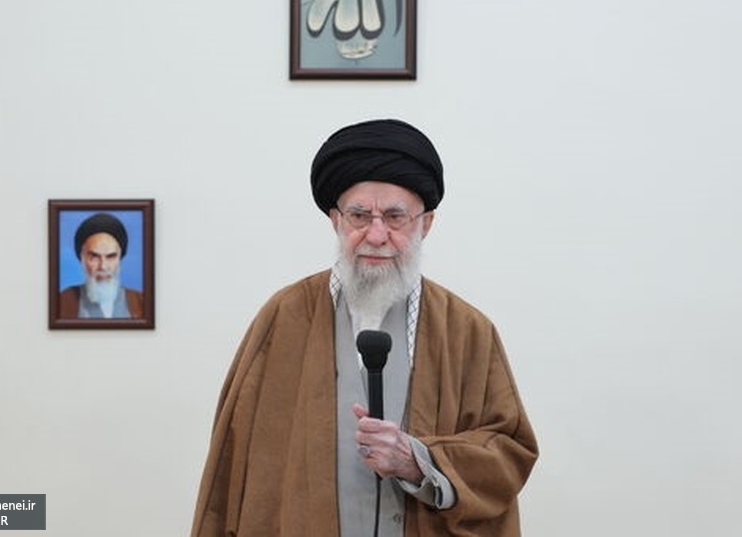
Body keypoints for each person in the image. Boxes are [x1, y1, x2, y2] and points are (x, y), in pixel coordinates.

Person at [191, 119, 538, 536]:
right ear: (335, 220)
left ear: (425, 223)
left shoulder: (466, 330)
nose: (376, 235)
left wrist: (419, 461)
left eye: (395, 217)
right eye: (359, 216)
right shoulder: (284, 316)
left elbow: (509, 449)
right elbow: (233, 464)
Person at [58, 212, 143, 319]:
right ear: (82, 258)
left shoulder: (141, 301)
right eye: (94, 257)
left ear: (119, 258)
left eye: (111, 256)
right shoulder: (62, 301)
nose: (103, 266)